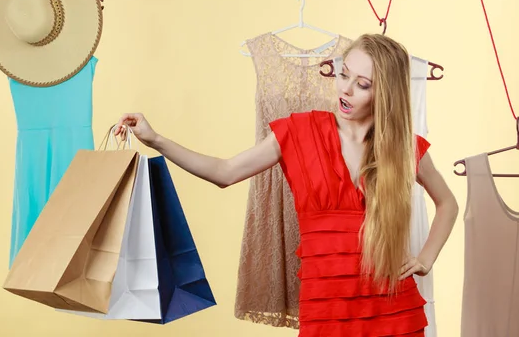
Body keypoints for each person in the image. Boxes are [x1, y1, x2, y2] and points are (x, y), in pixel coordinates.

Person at [114, 34, 459, 336]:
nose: (345, 89)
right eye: (343, 74)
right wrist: (156, 139)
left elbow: (448, 203)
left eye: (362, 84)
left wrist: (426, 258)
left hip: (393, 310)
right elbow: (225, 172)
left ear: (386, 91)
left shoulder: (403, 147)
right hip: (326, 311)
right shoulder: (299, 131)